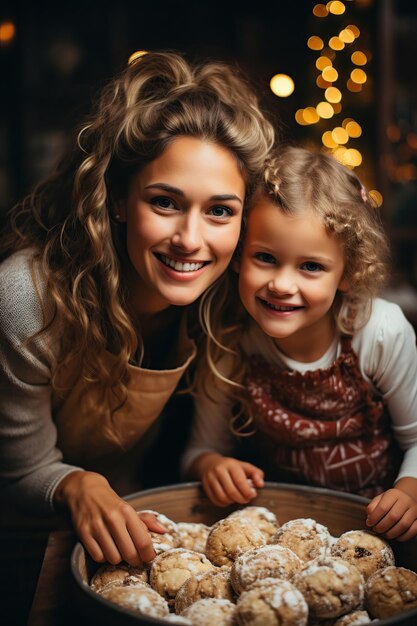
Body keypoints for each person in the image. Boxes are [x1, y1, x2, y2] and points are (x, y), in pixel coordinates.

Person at [0, 50, 275, 568]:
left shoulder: (227, 302)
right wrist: (76, 485)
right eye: (165, 202)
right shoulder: (26, 300)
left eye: (220, 211)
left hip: (132, 525)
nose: (190, 239)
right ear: (120, 201)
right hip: (18, 544)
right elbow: (16, 472)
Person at [183, 145, 417, 542]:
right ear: (239, 255)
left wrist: (409, 491)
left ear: (348, 271)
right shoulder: (230, 343)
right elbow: (197, 451)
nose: (282, 285)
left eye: (311, 266)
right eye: (266, 258)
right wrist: (212, 466)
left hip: (374, 532)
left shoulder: (380, 332)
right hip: (280, 538)